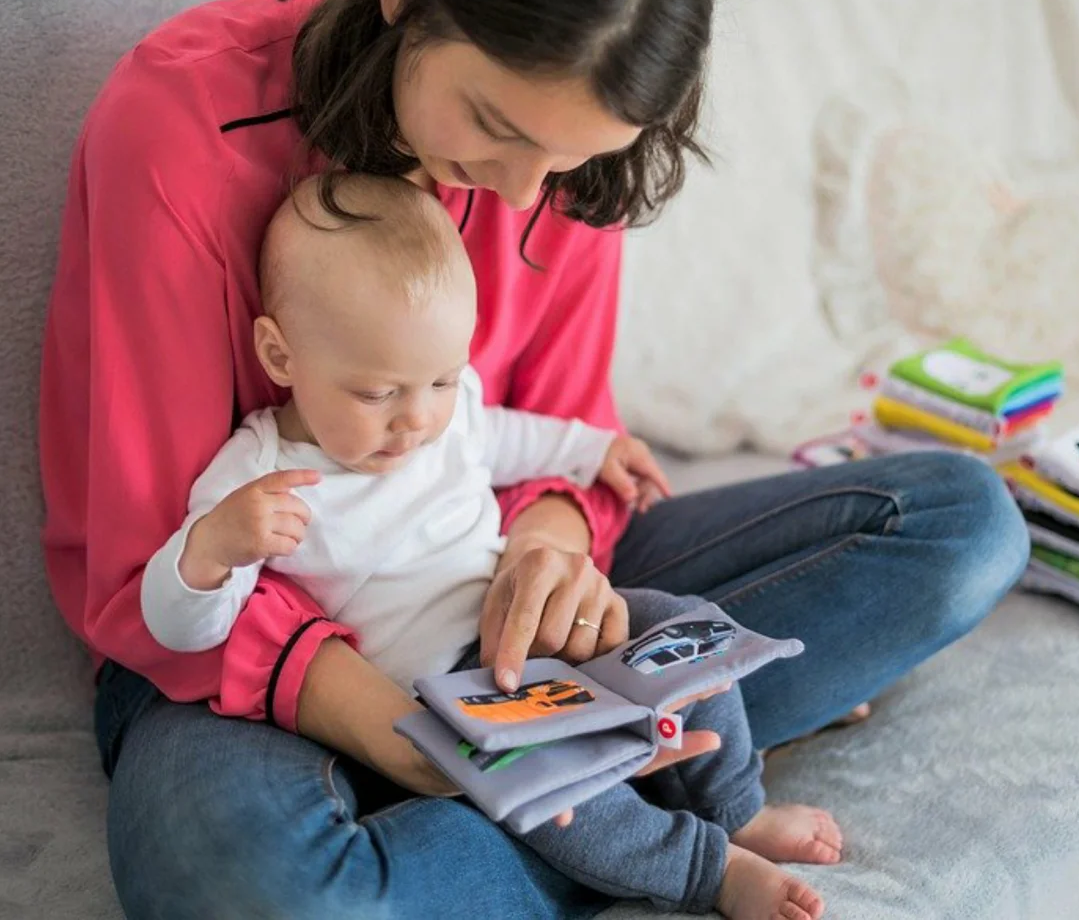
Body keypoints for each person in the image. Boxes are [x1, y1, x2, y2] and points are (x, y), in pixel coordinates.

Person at [39, 0, 1030, 917]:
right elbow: (154, 565)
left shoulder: (560, 158)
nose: (524, 193)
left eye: (566, 160)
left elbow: (558, 436)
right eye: (498, 127)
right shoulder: (176, 127)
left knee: (964, 526)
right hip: (234, 654)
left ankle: (580, 787)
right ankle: (626, 803)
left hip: (490, 608)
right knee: (259, 894)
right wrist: (401, 732)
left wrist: (547, 556)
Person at [138, 172, 840, 918]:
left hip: (534, 617)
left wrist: (592, 449)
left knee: (686, 625)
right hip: (455, 687)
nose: (417, 420)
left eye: (441, 380)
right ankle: (707, 868)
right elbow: (181, 629)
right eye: (377, 394)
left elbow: (506, 435)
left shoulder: (445, 408)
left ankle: (736, 807)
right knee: (555, 789)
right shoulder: (260, 471)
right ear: (281, 357)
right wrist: (213, 548)